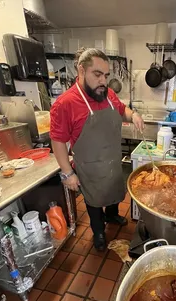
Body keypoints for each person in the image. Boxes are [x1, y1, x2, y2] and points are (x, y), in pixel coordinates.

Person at [50, 48, 144, 251]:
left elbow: (122, 110)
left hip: (112, 161)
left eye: (106, 75)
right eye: (98, 74)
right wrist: (67, 173)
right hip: (90, 169)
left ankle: (111, 214)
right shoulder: (65, 104)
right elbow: (57, 141)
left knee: (113, 192)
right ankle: (99, 231)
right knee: (93, 203)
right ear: (81, 70)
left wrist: (133, 115)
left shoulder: (108, 94)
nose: (103, 81)